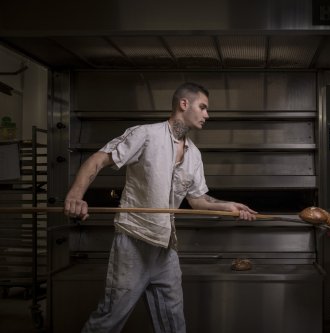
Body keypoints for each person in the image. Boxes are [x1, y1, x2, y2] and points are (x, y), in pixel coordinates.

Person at [64, 82, 257, 333]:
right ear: (183, 104)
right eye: (203, 107)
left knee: (173, 323)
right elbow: (98, 160)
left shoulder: (194, 155)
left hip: (166, 250)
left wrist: (227, 206)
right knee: (109, 319)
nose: (207, 115)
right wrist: (76, 196)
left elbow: (198, 200)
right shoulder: (145, 135)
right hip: (134, 242)